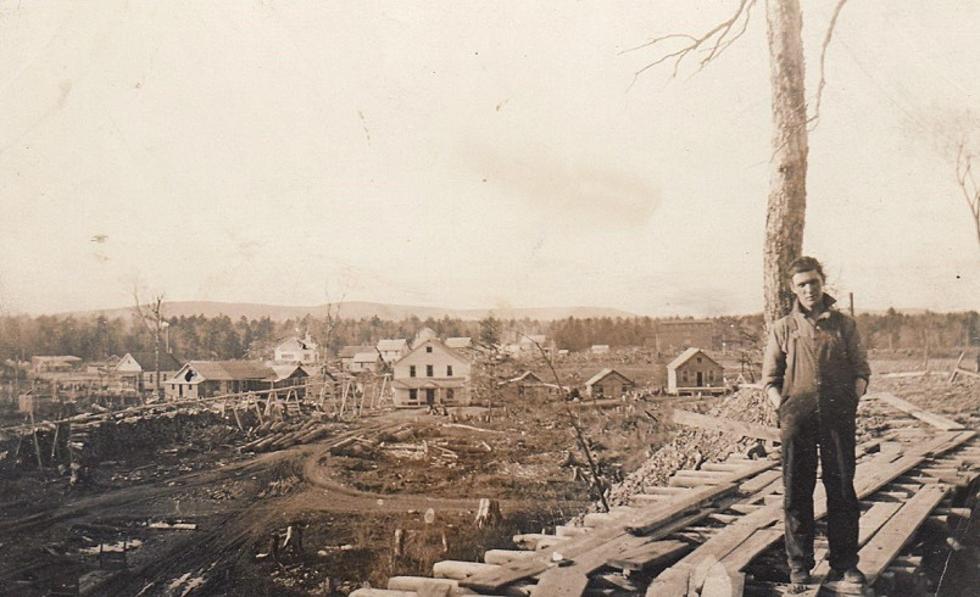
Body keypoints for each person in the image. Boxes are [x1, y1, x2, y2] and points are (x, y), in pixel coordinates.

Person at [762, 256, 871, 591]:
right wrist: (786, 408)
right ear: (794, 290)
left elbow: (862, 371)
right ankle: (799, 568)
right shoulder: (783, 328)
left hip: (838, 418)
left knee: (841, 490)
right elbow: (769, 380)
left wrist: (852, 399)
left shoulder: (843, 325)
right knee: (797, 491)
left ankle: (845, 564)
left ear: (823, 283)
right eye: (802, 284)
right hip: (798, 420)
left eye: (814, 282)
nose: (809, 289)